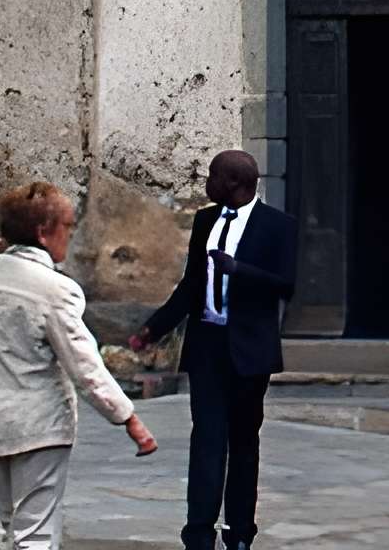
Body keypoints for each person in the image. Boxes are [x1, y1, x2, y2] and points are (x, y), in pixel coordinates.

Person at [0, 179, 158, 548]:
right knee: (35, 535)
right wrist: (128, 417)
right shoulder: (55, 289)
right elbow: (85, 366)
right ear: (44, 233)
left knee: (10, 527)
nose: (70, 233)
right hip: (36, 425)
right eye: (67, 225)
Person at [129, 151, 295, 550]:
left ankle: (240, 531)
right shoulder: (205, 220)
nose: (207, 182)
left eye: (213, 176)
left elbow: (286, 284)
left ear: (234, 183)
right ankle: (198, 533)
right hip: (208, 345)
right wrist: (153, 328)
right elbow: (190, 285)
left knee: (243, 441)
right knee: (206, 437)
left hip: (249, 348)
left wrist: (237, 269)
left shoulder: (277, 225)